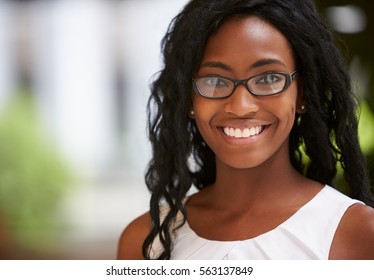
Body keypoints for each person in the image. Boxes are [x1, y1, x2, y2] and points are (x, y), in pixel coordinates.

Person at [117, 0, 374, 260]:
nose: (240, 107)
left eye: (269, 78)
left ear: (303, 95)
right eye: (215, 80)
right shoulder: (147, 241)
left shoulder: (357, 234)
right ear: (189, 99)